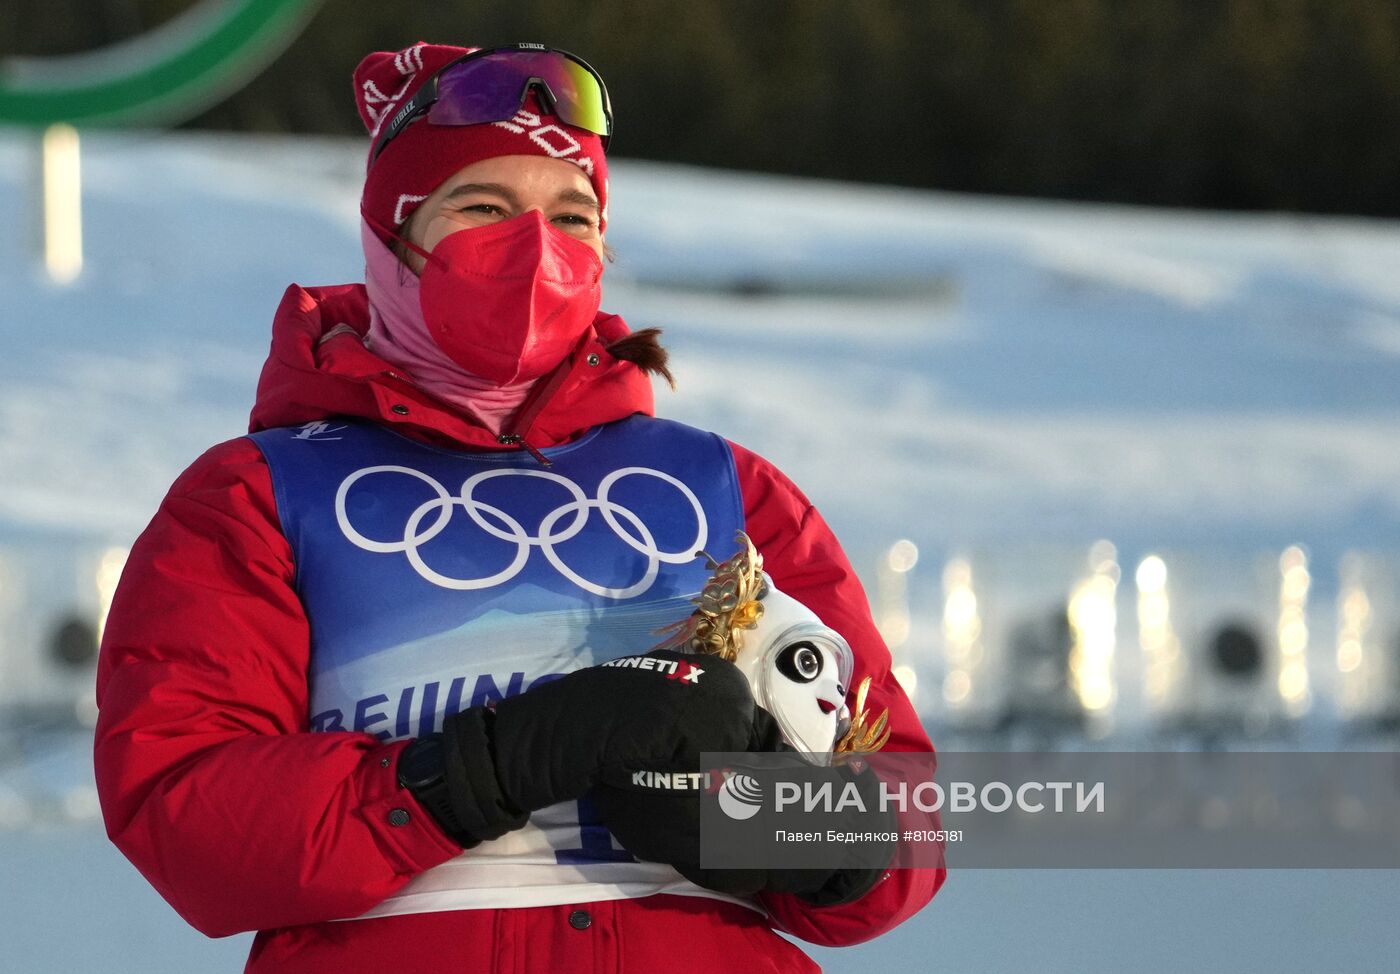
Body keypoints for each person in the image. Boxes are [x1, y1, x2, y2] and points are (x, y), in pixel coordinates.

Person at [93, 42, 944, 973]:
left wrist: (769, 825)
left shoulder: (725, 488)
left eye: (572, 216)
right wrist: (488, 767)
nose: (536, 246)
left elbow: (901, 828)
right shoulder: (257, 496)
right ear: (394, 236)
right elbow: (187, 820)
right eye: (484, 208)